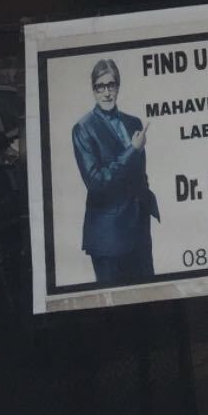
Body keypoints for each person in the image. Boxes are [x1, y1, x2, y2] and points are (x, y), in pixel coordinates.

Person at [71, 57, 159, 287]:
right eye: (100, 87)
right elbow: (96, 182)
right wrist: (132, 150)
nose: (107, 93)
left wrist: (144, 208)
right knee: (116, 303)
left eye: (111, 85)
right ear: (93, 90)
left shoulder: (134, 122)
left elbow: (140, 174)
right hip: (108, 238)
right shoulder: (83, 129)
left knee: (149, 297)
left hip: (138, 233)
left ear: (118, 86)